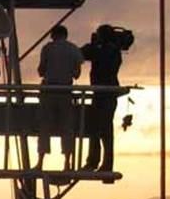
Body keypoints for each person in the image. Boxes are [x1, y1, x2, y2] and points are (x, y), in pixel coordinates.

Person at [35, 24, 83, 171]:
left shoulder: (48, 48)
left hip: (49, 90)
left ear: (53, 35)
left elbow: (41, 71)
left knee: (44, 127)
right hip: (65, 91)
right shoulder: (74, 49)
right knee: (67, 128)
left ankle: (40, 163)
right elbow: (77, 74)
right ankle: (67, 163)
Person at [82, 24, 125, 172]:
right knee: (102, 129)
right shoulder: (114, 50)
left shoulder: (104, 51)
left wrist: (93, 44)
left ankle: (96, 162)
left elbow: (84, 53)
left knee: (101, 130)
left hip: (103, 94)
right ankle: (100, 163)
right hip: (106, 94)